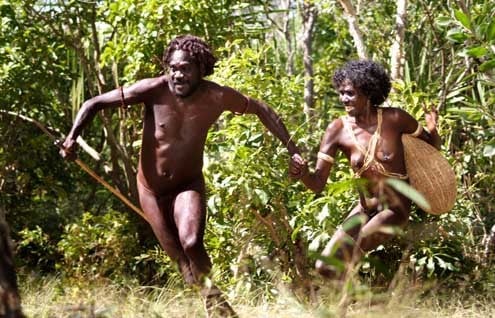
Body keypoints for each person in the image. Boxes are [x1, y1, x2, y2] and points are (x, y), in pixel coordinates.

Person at [60, 34, 303, 316]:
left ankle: (220, 309)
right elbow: (93, 103)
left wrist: (292, 150)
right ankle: (215, 304)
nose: (178, 74)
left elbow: (262, 109)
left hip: (188, 185)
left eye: (185, 68)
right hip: (150, 191)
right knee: (185, 267)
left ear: (200, 68)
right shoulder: (152, 89)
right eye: (173, 68)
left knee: (191, 243)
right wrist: (71, 139)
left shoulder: (217, 96)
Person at [289, 60, 441, 280]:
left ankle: (345, 310)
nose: (343, 99)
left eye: (350, 93)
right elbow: (317, 183)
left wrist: (433, 127)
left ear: (368, 91)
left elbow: (431, 148)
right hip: (364, 208)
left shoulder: (395, 119)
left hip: (395, 208)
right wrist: (302, 174)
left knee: (350, 254)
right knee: (324, 266)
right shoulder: (337, 129)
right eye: (341, 93)